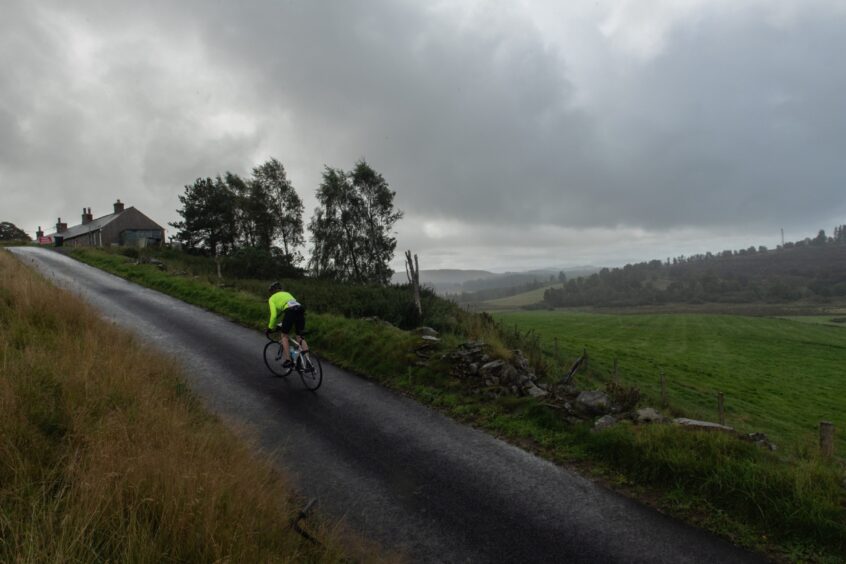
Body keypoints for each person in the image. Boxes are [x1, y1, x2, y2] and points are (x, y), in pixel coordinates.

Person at [265, 281, 308, 368]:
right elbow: (285, 310)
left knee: (284, 335)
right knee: (299, 336)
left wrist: (270, 328)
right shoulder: (287, 293)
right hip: (300, 309)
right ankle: (307, 361)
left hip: (290, 312)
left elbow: (273, 316)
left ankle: (288, 360)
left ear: (272, 291)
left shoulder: (272, 298)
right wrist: (279, 323)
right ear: (280, 289)